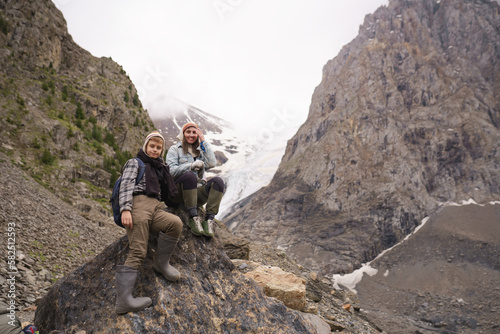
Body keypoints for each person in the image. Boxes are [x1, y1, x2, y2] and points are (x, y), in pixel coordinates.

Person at [116, 131, 182, 314]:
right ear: (146, 146)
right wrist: (126, 209)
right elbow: (126, 185)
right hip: (137, 206)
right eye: (152, 146)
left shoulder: (161, 167)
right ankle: (124, 301)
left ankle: (161, 264)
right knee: (138, 250)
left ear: (162, 150)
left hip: (155, 208)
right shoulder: (135, 163)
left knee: (175, 224)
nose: (155, 149)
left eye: (158, 147)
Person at [166, 122, 225, 238]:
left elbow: (212, 162)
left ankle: (209, 220)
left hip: (195, 194)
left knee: (218, 182)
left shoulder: (200, 152)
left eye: (194, 132)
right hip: (178, 193)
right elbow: (171, 171)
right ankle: (193, 217)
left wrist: (203, 140)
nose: (191, 135)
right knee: (190, 176)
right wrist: (190, 166)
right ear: (183, 134)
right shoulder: (174, 149)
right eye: (188, 132)